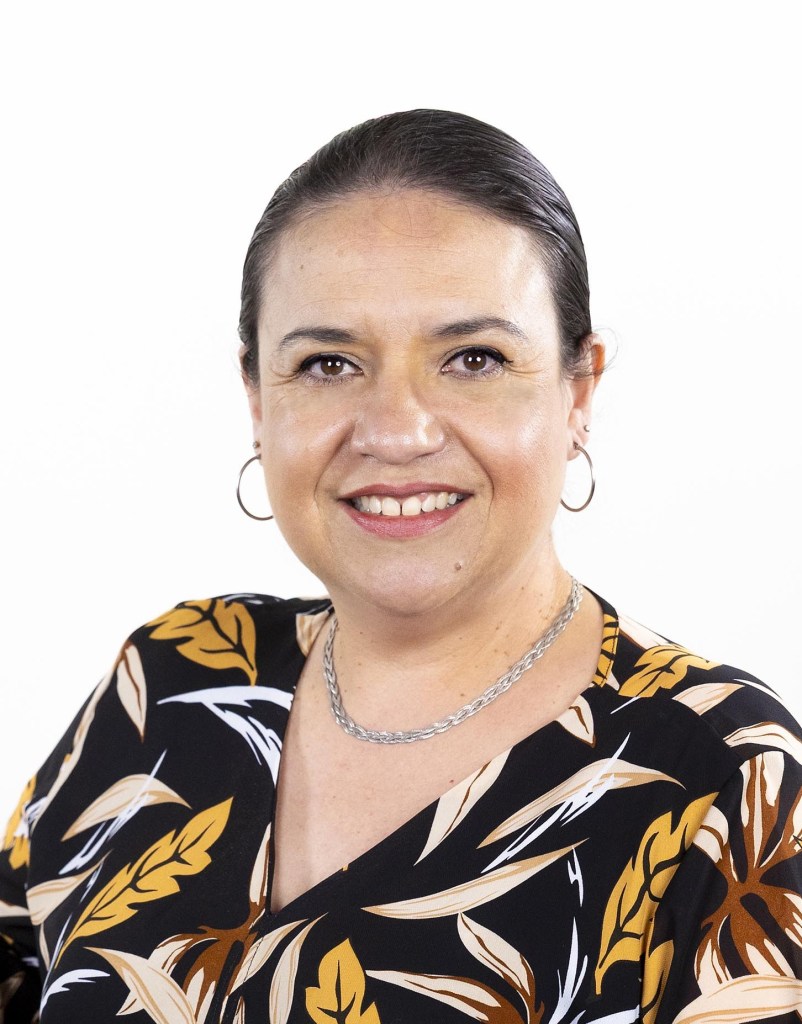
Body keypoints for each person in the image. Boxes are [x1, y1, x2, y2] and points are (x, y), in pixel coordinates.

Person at [2, 109, 801, 1024]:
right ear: (257, 399)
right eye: (330, 363)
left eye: (473, 358)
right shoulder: (176, 680)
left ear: (579, 392)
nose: (396, 431)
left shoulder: (723, 779)